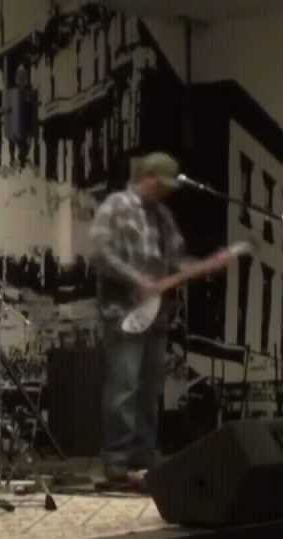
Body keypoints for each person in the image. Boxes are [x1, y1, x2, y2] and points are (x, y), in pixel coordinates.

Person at [90, 152, 237, 491]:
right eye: (162, 185)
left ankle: (143, 458)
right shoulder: (115, 206)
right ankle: (117, 462)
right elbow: (100, 254)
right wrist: (136, 279)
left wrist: (205, 265)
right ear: (148, 177)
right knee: (124, 387)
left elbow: (176, 259)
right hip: (122, 312)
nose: (166, 193)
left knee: (149, 388)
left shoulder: (163, 217)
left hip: (156, 315)